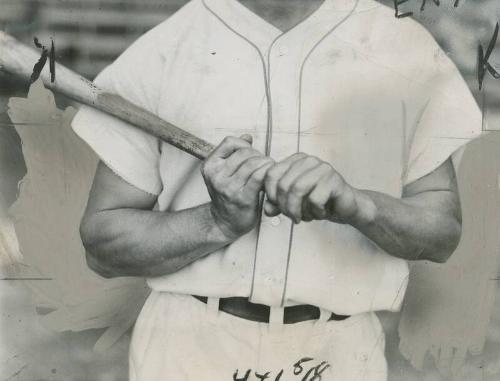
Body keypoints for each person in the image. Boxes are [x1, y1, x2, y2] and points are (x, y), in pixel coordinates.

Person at [71, 0, 482, 379]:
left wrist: (361, 207)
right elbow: (102, 248)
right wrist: (216, 223)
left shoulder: (403, 47)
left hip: (337, 352)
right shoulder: (165, 49)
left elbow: (441, 234)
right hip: (188, 346)